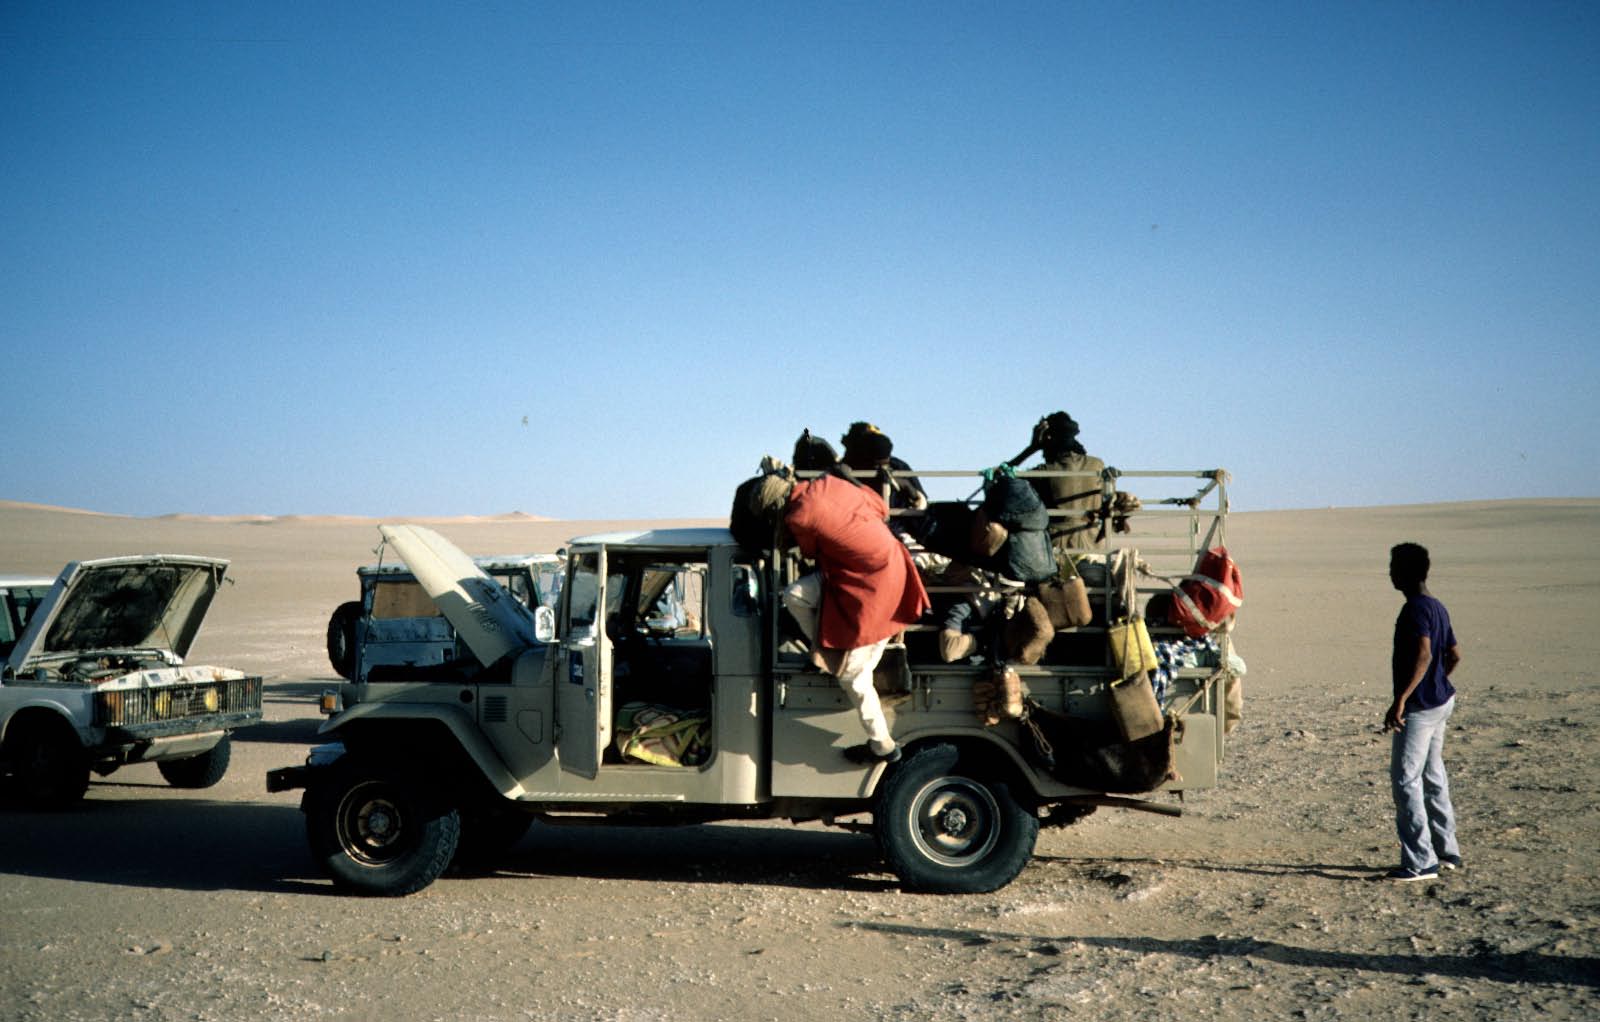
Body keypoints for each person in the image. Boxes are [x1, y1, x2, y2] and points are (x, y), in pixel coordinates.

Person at [749, 464, 930, 764]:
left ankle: (882, 744)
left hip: (872, 583)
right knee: (795, 595)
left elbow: (807, 551)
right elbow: (879, 507)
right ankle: (822, 651)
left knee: (854, 677)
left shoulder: (798, 516)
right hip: (877, 566)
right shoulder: (830, 482)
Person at [1382, 542, 1463, 881]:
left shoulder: (1415, 610)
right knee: (1432, 774)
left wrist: (1402, 698)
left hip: (1421, 707)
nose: (1389, 573)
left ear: (1405, 573)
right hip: (1440, 701)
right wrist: (1437, 682)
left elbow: (1425, 654)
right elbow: (1454, 654)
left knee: (1406, 779)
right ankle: (1446, 851)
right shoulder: (1437, 606)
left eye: (1393, 567)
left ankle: (1420, 862)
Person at [1007, 412, 1108, 552]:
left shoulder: (1044, 472)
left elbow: (1001, 478)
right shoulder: (1097, 465)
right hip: (1094, 547)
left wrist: (1031, 448)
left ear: (1048, 439)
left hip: (1056, 548)